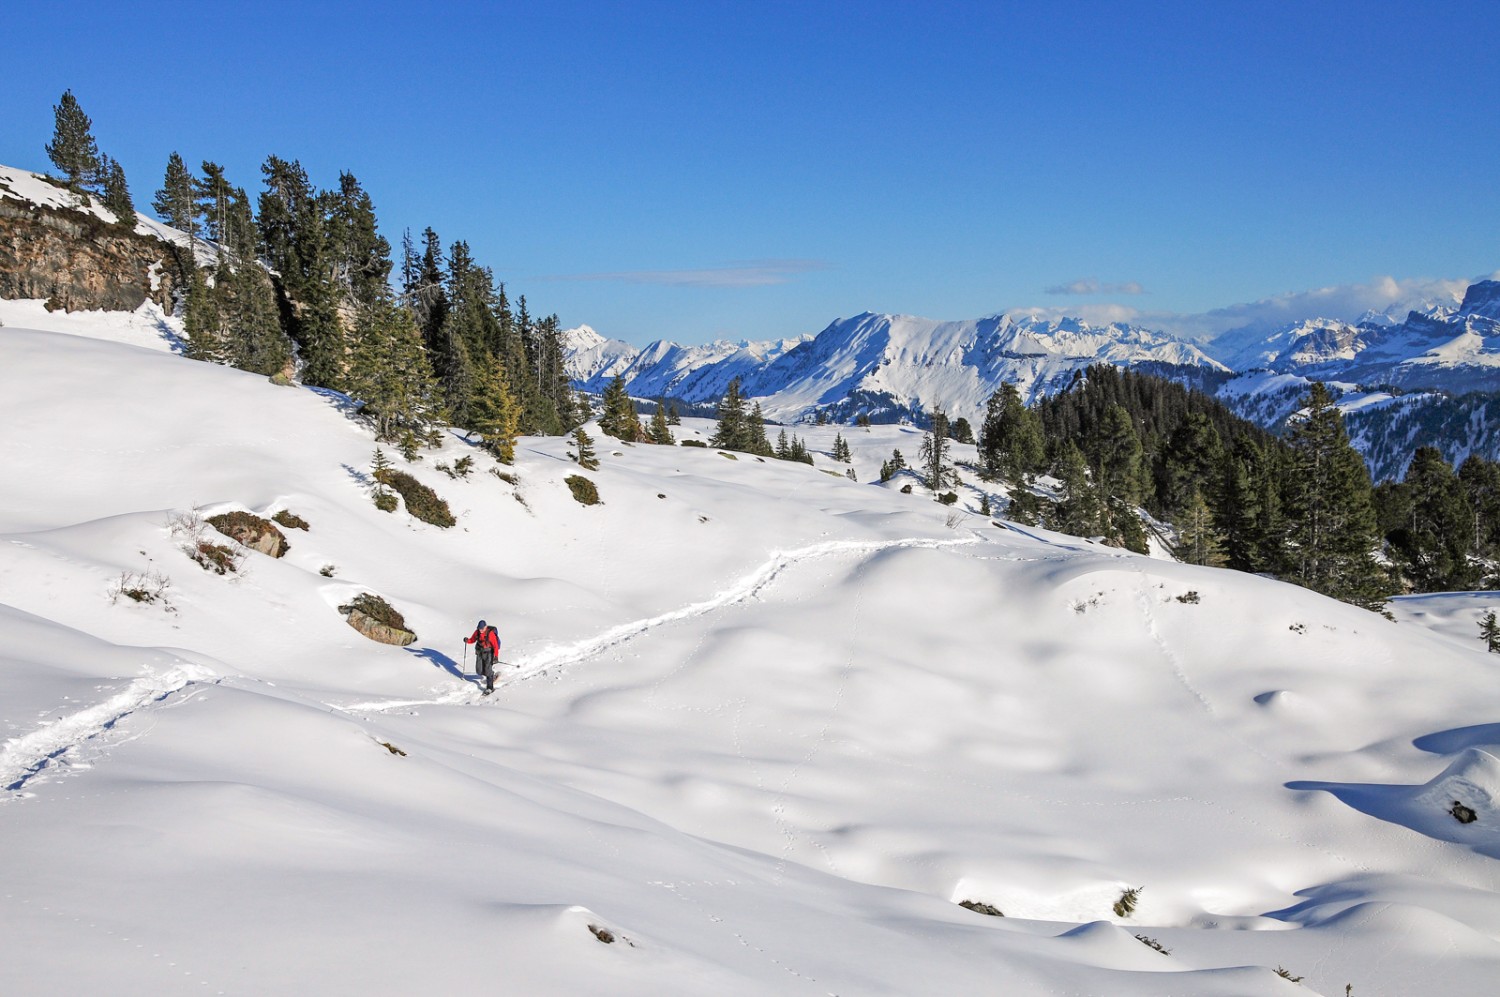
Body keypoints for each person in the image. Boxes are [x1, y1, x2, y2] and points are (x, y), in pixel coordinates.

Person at [464, 619, 502, 695]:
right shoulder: (477, 632)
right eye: (479, 628)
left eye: (482, 628)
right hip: (480, 652)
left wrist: (496, 657)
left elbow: (495, 646)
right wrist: (467, 640)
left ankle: (490, 687)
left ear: (485, 627)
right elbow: (472, 640)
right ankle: (491, 675)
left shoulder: (490, 634)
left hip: (489, 653)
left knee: (487, 670)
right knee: (479, 670)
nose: (481, 630)